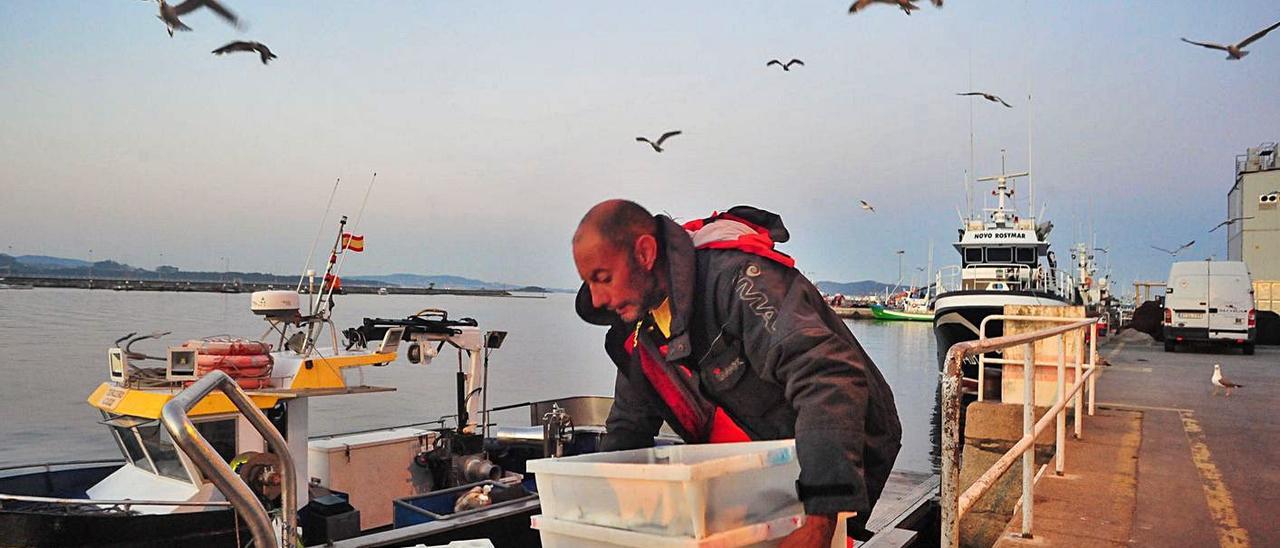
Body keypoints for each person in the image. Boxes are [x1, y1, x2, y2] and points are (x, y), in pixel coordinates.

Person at [572, 199, 902, 546]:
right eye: (588, 283)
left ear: (645, 252)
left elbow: (827, 376)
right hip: (758, 467)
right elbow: (628, 425)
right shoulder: (640, 328)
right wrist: (599, 511)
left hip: (847, 439)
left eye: (602, 278)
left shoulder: (737, 280)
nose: (595, 299)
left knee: (826, 535)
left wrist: (820, 517)